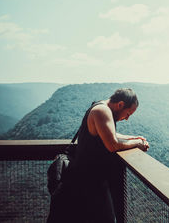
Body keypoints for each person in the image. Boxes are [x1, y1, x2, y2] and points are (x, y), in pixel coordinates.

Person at [47, 88, 149, 223]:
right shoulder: (102, 111)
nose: (127, 118)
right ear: (120, 105)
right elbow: (112, 144)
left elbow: (107, 133)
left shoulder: (101, 107)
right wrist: (137, 144)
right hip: (89, 183)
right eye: (128, 113)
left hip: (89, 180)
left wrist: (133, 138)